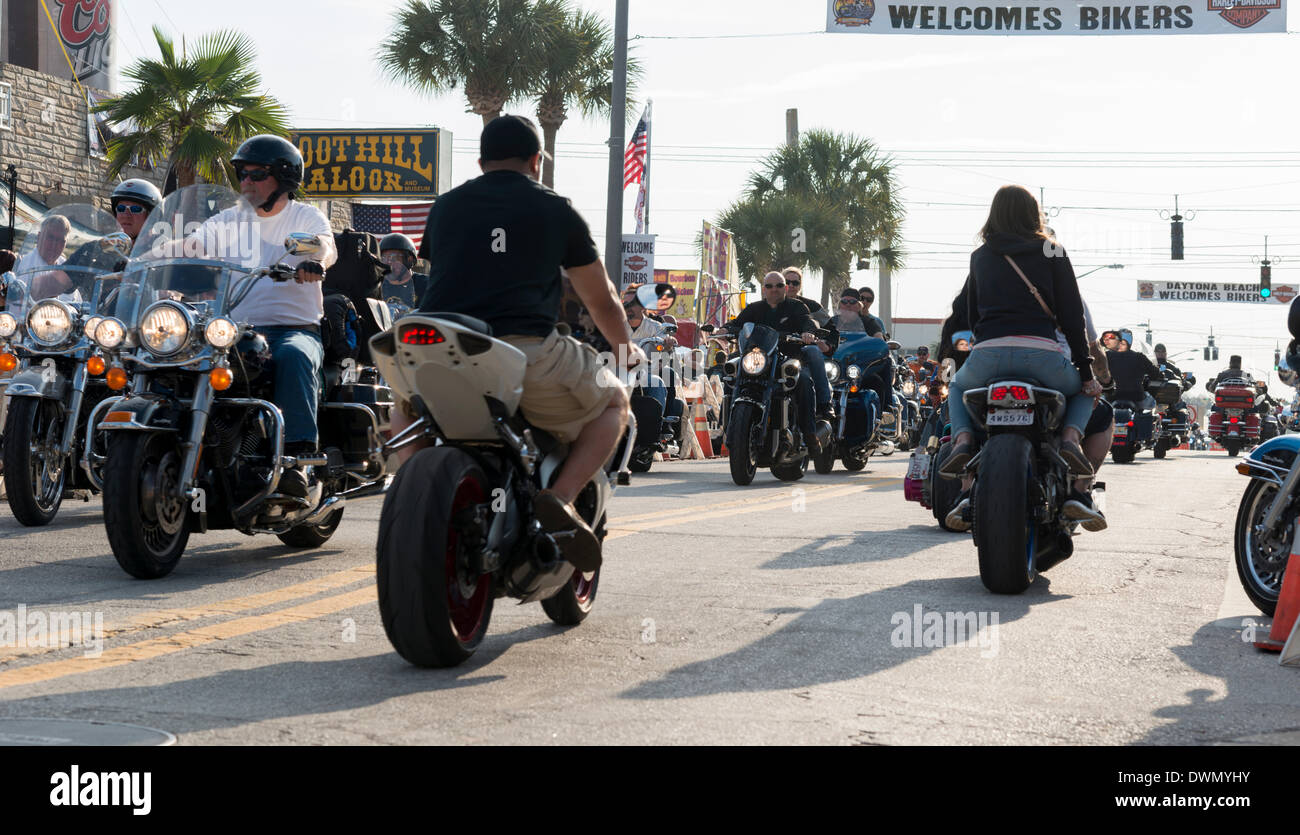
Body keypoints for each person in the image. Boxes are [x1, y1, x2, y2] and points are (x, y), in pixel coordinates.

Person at [412, 114, 638, 571]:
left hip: (436, 349)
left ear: (480, 161)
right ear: (536, 161)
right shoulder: (556, 209)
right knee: (615, 404)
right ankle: (558, 499)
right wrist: (624, 349)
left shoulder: (445, 207)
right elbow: (604, 300)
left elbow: (437, 274)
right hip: (523, 353)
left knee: (404, 408)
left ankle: (415, 496)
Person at [939, 185, 1102, 530]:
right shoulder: (1053, 250)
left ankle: (964, 441)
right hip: (1042, 358)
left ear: (994, 213)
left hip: (988, 357)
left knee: (956, 389)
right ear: (1034, 214)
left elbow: (970, 317)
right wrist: (1087, 374)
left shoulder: (981, 256)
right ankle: (1071, 441)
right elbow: (1073, 317)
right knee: (1087, 393)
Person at [195, 135, 338, 499]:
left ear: (283, 179)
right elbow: (194, 243)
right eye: (242, 173)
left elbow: (323, 244)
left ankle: (300, 460)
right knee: (184, 360)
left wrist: (313, 261)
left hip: (294, 329)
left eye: (256, 174)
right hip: (234, 332)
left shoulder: (303, 215)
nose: (246, 181)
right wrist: (151, 258)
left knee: (293, 355)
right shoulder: (229, 220)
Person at [724, 271, 829, 450]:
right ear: (764, 289)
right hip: (758, 360)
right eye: (770, 286)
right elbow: (737, 324)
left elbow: (808, 321)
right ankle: (728, 426)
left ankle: (809, 434)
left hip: (786, 359)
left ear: (785, 288)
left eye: (779, 285)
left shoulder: (796, 307)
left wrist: (808, 332)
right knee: (730, 372)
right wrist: (724, 329)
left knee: (803, 380)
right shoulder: (754, 308)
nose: (774, 289)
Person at [16, 215, 72, 302]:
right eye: (50, 237)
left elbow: (74, 301)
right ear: (39, 237)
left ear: (65, 244)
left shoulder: (65, 265)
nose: (54, 245)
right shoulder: (26, 264)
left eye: (60, 240)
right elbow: (20, 303)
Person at [377, 232, 429, 310]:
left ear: (409, 259)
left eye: (393, 257)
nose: (388, 262)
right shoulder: (376, 287)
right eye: (384, 258)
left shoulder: (426, 284)